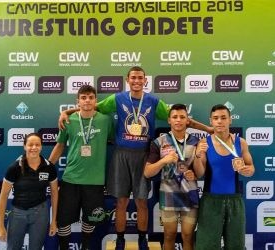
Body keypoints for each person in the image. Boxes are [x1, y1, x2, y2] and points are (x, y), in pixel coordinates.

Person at [59, 66, 211, 250]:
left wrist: (208, 129)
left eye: (140, 78)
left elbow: (184, 119)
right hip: (121, 153)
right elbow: (91, 107)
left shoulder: (153, 101)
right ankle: (120, 240)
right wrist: (67, 113)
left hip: (143, 155)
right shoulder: (117, 98)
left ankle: (142, 239)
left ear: (145, 80)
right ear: (127, 80)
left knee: (141, 202)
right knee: (121, 201)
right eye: (133, 78)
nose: (137, 81)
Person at [49, 85, 114, 250]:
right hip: (71, 179)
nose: (87, 100)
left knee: (90, 218)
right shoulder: (68, 120)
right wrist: (47, 167)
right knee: (63, 219)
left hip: (95, 180)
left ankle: (85, 247)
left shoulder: (105, 120)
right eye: (83, 98)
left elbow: (114, 142)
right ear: (77, 101)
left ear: (95, 100)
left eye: (91, 97)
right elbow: (60, 146)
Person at [193, 104, 255, 250]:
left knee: (236, 246)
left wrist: (248, 171)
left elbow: (251, 167)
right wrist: (197, 155)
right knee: (206, 246)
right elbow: (200, 173)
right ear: (211, 121)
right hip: (210, 201)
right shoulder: (204, 143)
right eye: (216, 118)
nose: (219, 121)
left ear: (230, 120)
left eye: (223, 118)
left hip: (235, 201)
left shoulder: (241, 142)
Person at [144, 104, 199, 250]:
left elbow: (201, 170)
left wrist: (194, 173)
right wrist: (164, 161)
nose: (178, 120)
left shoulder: (196, 142)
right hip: (168, 194)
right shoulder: (159, 142)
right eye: (175, 117)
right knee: (169, 234)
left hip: (190, 194)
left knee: (188, 235)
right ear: (169, 120)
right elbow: (148, 172)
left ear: (188, 120)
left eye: (182, 117)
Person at [0, 133, 58, 250]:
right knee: (13, 247)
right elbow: (3, 196)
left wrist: (54, 221)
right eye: (30, 145)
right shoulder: (14, 168)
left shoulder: (49, 167)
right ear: (24, 146)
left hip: (40, 214)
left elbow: (55, 194)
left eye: (37, 144)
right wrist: (0, 226)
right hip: (17, 213)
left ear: (41, 147)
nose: (34, 148)